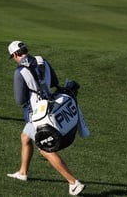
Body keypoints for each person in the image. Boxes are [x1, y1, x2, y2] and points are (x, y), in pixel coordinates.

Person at [6, 40, 85, 195]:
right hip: (50, 106)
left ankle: (73, 182)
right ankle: (22, 173)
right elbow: (55, 82)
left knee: (44, 148)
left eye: (13, 56)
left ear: (15, 54)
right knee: (25, 137)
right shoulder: (42, 60)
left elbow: (20, 100)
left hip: (37, 115)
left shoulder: (20, 72)